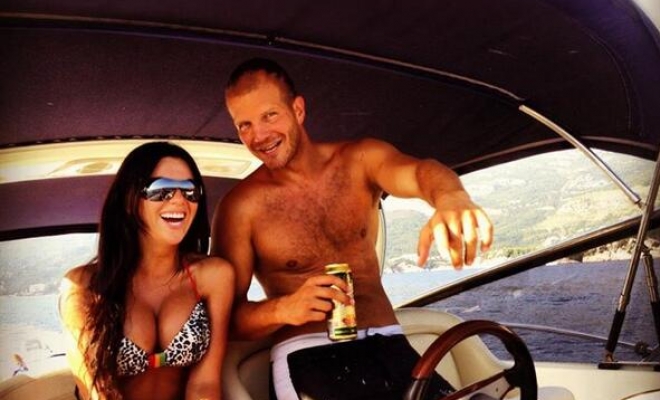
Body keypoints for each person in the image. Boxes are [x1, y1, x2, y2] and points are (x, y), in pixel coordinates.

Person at [211, 58, 493, 400]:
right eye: (244, 125)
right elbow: (224, 316)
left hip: (390, 345)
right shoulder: (240, 207)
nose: (258, 136)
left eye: (269, 115)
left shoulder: (360, 160)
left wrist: (451, 198)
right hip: (308, 356)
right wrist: (285, 308)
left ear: (298, 110)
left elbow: (419, 172)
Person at [59, 142, 235, 400]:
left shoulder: (214, 276)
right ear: (130, 201)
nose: (179, 200)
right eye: (161, 190)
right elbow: (97, 391)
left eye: (190, 191)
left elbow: (205, 384)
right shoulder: (82, 285)